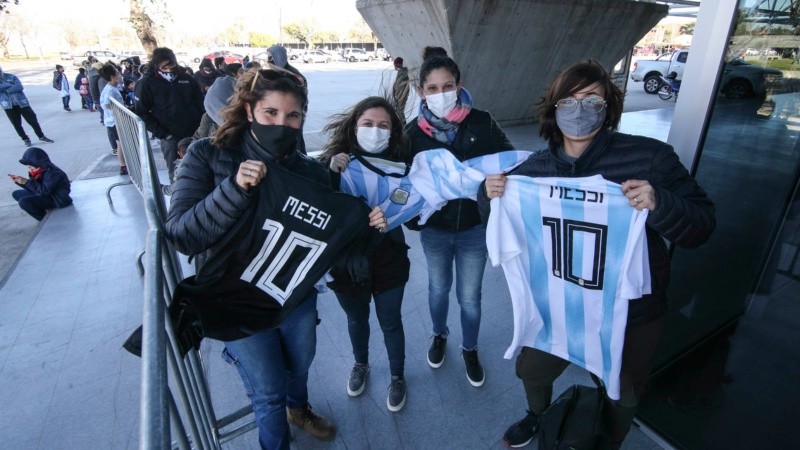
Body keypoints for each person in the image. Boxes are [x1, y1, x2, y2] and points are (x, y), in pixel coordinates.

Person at [478, 60, 715, 449]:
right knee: (532, 370)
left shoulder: (650, 159)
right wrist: (487, 196)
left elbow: (702, 225)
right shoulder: (533, 171)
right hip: (559, 304)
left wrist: (661, 203)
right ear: (553, 108)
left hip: (630, 311)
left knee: (623, 389)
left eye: (592, 100)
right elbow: (498, 220)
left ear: (608, 108)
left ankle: (609, 440)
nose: (580, 109)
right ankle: (537, 415)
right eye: (569, 100)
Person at [164, 68, 387, 450]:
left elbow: (332, 246)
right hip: (232, 298)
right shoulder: (207, 155)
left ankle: (298, 409)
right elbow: (182, 235)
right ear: (250, 110)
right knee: (268, 392)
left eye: (292, 115)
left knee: (299, 365)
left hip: (292, 298)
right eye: (271, 113)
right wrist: (234, 190)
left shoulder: (310, 172)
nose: (281, 124)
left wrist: (367, 231)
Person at [404, 55, 513, 387]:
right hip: (435, 231)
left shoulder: (482, 122)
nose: (441, 94)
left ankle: (470, 348)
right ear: (421, 92)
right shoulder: (412, 132)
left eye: (447, 86)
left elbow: (510, 161)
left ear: (459, 86)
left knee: (470, 297)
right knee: (438, 290)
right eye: (432, 88)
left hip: (473, 229)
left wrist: (496, 183)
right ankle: (439, 335)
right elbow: (400, 182)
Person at [322, 96, 410, 412]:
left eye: (383, 126)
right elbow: (318, 206)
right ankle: (361, 363)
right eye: (368, 124)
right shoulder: (335, 163)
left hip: (389, 257)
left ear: (393, 132)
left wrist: (393, 215)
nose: (375, 131)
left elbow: (414, 211)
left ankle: (398, 376)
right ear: (354, 126)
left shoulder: (403, 166)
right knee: (356, 318)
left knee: (391, 321)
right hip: (346, 261)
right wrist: (329, 172)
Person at [134, 47, 204, 185]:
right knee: (176, 172)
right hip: (170, 136)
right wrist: (163, 134)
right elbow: (141, 112)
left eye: (171, 65)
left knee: (200, 167)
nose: (169, 69)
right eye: (165, 66)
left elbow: (199, 102)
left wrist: (202, 127)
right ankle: (177, 194)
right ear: (156, 64)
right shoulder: (146, 83)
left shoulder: (186, 78)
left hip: (194, 132)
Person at [8, 147, 72, 221]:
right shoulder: (40, 170)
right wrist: (20, 182)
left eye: (30, 164)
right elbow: (35, 188)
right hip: (45, 194)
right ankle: (41, 209)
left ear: (37, 163)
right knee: (16, 194)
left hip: (56, 199)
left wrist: (26, 182)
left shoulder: (53, 173)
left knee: (24, 202)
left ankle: (46, 220)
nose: (28, 167)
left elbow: (44, 191)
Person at [0, 65, 55, 147]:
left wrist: (5, 88)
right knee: (16, 124)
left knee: (33, 120)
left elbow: (19, 87)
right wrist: (9, 85)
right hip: (8, 106)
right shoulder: (10, 80)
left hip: (22, 103)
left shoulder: (11, 77)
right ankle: (25, 139)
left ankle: (41, 136)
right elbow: (14, 87)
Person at [98, 64, 128, 175]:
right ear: (112, 76)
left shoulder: (111, 88)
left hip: (113, 121)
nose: (120, 75)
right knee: (120, 144)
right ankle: (123, 166)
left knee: (120, 143)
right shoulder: (110, 90)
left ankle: (124, 165)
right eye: (118, 73)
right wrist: (120, 110)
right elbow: (107, 104)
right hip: (114, 122)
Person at [392, 57, 410, 125]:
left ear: (399, 64)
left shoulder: (403, 73)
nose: (394, 66)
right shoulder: (400, 72)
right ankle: (401, 123)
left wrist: (399, 98)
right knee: (398, 110)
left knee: (399, 110)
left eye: (395, 64)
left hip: (401, 96)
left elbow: (402, 87)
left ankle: (403, 124)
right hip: (398, 96)